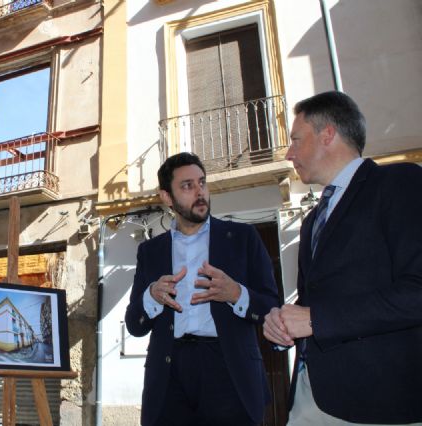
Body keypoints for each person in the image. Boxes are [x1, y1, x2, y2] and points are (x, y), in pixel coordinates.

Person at [263, 91, 422, 425]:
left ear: (328, 135)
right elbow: (312, 304)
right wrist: (283, 328)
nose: (289, 153)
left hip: (378, 404)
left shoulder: (399, 184)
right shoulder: (310, 222)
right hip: (309, 397)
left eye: (295, 140)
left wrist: (316, 320)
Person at [125, 152, 279, 426]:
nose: (200, 192)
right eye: (187, 186)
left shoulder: (243, 238)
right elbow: (134, 325)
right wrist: (152, 297)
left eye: (202, 183)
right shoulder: (150, 252)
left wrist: (236, 294)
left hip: (228, 371)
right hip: (170, 375)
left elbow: (271, 309)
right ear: (167, 197)